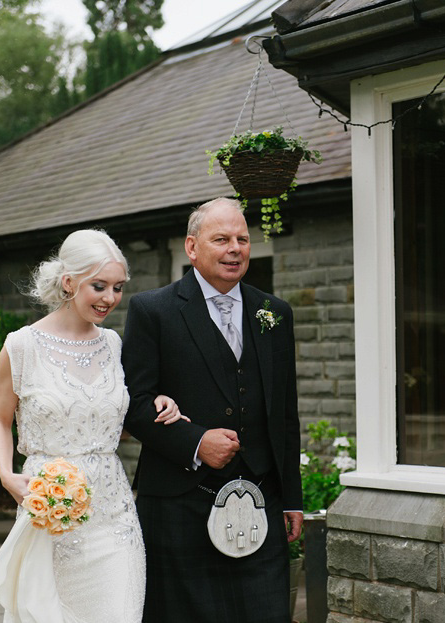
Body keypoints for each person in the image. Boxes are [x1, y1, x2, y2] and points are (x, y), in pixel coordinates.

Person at [0, 229, 186, 621]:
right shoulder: (21, 346)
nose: (110, 298)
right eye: (99, 286)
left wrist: (160, 403)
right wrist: (6, 475)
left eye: (117, 287)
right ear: (68, 282)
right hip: (51, 513)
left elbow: (115, 419)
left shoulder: (113, 344)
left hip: (113, 515)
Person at [122, 197, 303, 622]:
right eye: (221, 239)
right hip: (179, 503)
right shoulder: (154, 310)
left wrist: (291, 498)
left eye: (243, 239)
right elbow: (132, 404)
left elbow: (285, 414)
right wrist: (196, 441)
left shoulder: (273, 312)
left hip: (259, 499)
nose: (235, 248)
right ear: (191, 247)